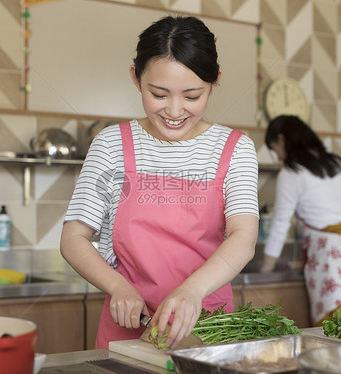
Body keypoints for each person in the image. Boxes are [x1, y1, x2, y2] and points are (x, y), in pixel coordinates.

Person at [60, 15, 259, 349]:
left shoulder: (235, 148)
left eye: (192, 96)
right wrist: (118, 287)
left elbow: (243, 238)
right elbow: (73, 238)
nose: (175, 110)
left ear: (214, 83)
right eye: (159, 94)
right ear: (136, 79)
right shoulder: (111, 144)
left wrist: (192, 292)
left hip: (208, 325)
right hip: (128, 323)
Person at [260, 115, 341, 326]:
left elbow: (280, 224)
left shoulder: (291, 172)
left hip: (331, 261)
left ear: (282, 140)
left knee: (337, 334)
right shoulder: (335, 163)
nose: (279, 157)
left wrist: (265, 270)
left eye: (275, 150)